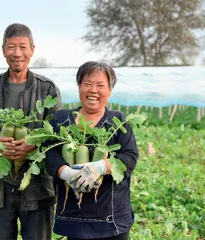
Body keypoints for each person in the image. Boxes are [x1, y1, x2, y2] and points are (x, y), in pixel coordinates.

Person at [0, 23, 62, 240]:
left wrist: (34, 146)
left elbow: (57, 138)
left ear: (32, 49)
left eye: (22, 47)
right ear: (3, 51)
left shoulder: (47, 89)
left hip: (38, 189)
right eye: (11, 48)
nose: (17, 54)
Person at [44, 61, 138, 240]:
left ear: (109, 91)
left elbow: (130, 157)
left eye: (100, 85)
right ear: (79, 87)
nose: (93, 90)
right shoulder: (62, 120)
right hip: (74, 219)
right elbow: (49, 153)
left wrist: (101, 167)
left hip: (112, 220)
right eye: (87, 84)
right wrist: (67, 173)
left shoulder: (118, 122)